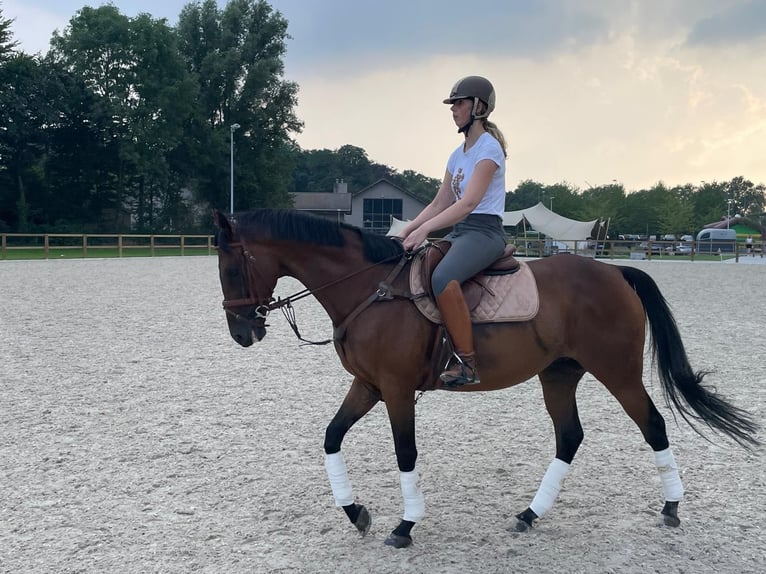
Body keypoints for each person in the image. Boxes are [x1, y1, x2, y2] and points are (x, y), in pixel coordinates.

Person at [399, 76, 508, 386]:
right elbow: (439, 203)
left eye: (459, 103)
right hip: (461, 231)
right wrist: (407, 232)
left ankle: (466, 362)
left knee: (443, 277)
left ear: (478, 107)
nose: (454, 110)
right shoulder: (457, 154)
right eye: (453, 105)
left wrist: (426, 233)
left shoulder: (489, 149)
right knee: (413, 267)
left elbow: (468, 203)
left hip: (485, 232)